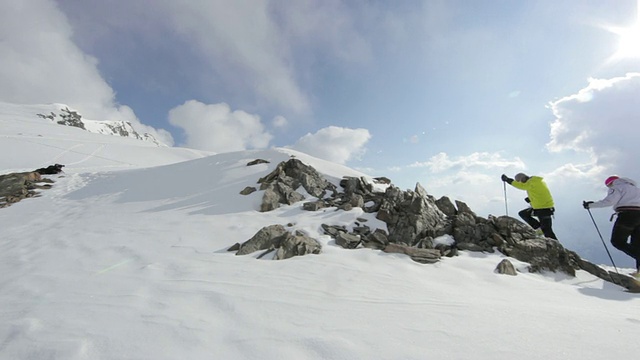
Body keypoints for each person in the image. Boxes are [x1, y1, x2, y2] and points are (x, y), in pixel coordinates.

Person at [583, 175, 640, 276]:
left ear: (610, 183)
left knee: (617, 241)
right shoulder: (636, 189)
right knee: (637, 244)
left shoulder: (617, 187)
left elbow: (609, 201)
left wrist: (590, 205)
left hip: (627, 215)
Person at [501, 172, 557, 240]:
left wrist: (508, 180)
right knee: (523, 214)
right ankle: (539, 229)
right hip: (540, 207)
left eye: (520, 182)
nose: (521, 183)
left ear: (522, 179)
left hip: (544, 209)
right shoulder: (535, 181)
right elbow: (538, 192)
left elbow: (521, 186)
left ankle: (558, 248)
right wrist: (531, 199)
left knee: (547, 231)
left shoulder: (532, 183)